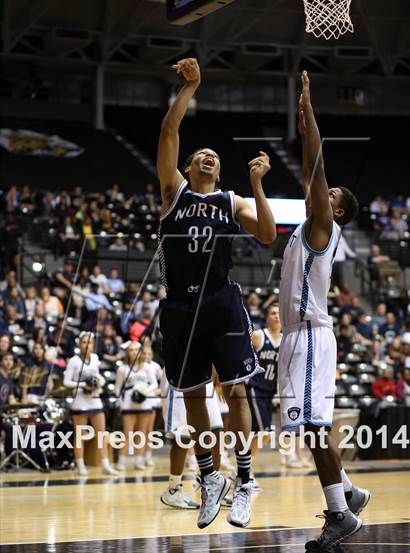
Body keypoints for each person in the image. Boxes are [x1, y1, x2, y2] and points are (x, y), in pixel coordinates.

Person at [157, 58, 276, 529]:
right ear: (187, 167)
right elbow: (169, 130)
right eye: (200, 153)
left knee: (237, 394)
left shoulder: (231, 201)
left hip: (221, 299)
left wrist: (257, 185)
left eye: (215, 155)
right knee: (192, 398)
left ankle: (244, 481)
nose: (209, 156)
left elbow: (267, 234)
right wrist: (192, 87)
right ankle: (209, 478)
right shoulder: (174, 194)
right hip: (180, 305)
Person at [278, 71, 369, 551]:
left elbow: (315, 163)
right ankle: (349, 492)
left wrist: (308, 112)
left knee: (313, 428)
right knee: (310, 427)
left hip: (310, 336)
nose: (323, 195)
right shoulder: (308, 227)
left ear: (339, 213)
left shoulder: (321, 227)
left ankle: (341, 514)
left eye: (331, 197)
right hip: (300, 336)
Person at [160, 369, 225, 510]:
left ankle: (213, 488)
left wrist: (218, 380)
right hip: (180, 371)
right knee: (184, 435)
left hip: (205, 375)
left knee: (216, 430)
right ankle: (173, 489)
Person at [63, 332, 118, 476]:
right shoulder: (74, 361)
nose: (87, 345)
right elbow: (66, 382)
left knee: (101, 434)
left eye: (90, 342)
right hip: (80, 401)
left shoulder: (95, 358)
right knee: (80, 435)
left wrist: (96, 385)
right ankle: (80, 465)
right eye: (84, 342)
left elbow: (97, 377)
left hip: (94, 399)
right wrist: (83, 385)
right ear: (79, 344)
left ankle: (105, 464)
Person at [247, 303, 282, 488]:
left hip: (269, 392)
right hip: (254, 389)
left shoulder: (285, 340)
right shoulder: (259, 336)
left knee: (257, 434)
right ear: (267, 317)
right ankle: (244, 470)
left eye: (279, 313)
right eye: (273, 313)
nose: (277, 316)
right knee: (265, 434)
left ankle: (242, 469)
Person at [115, 341, 158, 471]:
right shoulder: (122, 369)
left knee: (142, 433)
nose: (134, 352)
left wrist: (144, 390)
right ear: (127, 353)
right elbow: (118, 388)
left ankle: (139, 460)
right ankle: (121, 460)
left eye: (136, 350)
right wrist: (121, 403)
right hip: (128, 404)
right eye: (131, 350)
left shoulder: (147, 367)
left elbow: (154, 384)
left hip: (144, 403)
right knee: (127, 434)